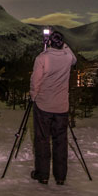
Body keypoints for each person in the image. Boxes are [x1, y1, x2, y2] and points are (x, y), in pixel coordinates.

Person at [29, 30, 76, 185]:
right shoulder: (68, 57)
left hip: (43, 105)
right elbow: (74, 59)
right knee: (60, 141)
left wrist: (33, 95)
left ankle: (42, 175)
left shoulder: (42, 58)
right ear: (62, 43)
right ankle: (60, 176)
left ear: (49, 42)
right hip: (61, 107)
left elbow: (35, 80)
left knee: (42, 140)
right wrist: (64, 45)